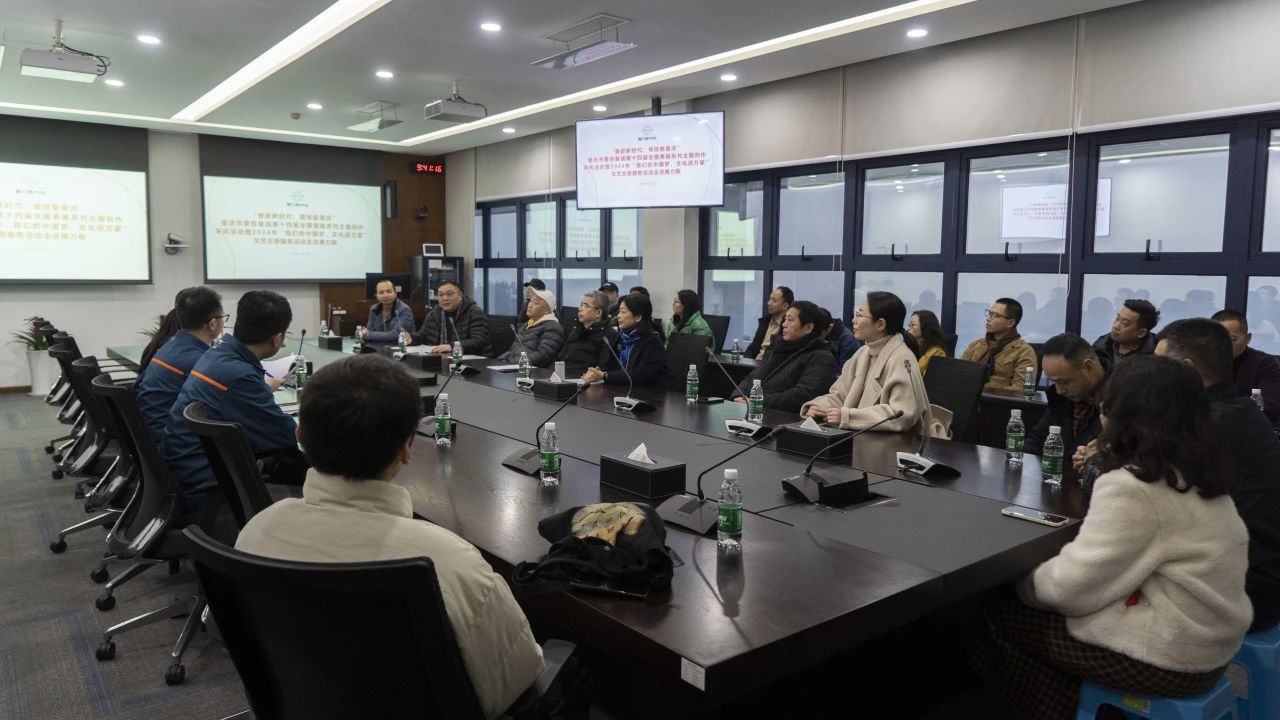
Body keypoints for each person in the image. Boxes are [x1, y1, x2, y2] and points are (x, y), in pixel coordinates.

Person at [234, 355, 546, 719]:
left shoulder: (255, 533)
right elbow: (517, 677)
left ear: (299, 436)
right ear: (405, 450)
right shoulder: (447, 561)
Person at [972, 356, 1252, 720]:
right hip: (1215, 644)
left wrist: (1019, 580)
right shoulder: (1200, 472)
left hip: (1171, 657)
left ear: (1120, 413)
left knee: (997, 610)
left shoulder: (1136, 486)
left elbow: (1070, 589)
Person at [1155, 318, 1280, 632]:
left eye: (1159, 365)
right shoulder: (1244, 411)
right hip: (1262, 577)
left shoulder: (1202, 428)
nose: (1151, 375)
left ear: (1187, 371)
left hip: (1235, 591)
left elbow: (1143, 496)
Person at [163, 290, 307, 514]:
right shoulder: (239, 377)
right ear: (277, 338)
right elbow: (287, 436)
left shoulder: (216, 355)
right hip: (206, 485)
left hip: (187, 470)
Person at [800, 291, 930, 433]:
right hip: (860, 436)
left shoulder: (902, 358)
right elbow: (840, 395)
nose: (853, 320)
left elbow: (901, 414)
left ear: (880, 324)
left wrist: (848, 417)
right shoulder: (863, 353)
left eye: (859, 315)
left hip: (892, 443)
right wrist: (820, 407)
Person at [135, 287, 226, 447]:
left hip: (151, 433)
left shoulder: (172, 345)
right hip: (170, 442)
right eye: (223, 318)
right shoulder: (198, 361)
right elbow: (229, 401)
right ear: (213, 324)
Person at [732, 301, 838, 413]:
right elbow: (752, 377)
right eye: (785, 319)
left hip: (782, 417)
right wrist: (739, 395)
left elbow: (802, 396)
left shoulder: (821, 357)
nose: (783, 324)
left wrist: (758, 401)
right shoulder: (778, 348)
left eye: (790, 320)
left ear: (808, 328)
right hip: (754, 409)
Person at [1025, 333, 1106, 456]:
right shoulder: (1060, 398)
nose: (1059, 391)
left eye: (1064, 382)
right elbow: (1038, 439)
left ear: (1089, 367)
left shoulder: (1120, 399)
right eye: (1054, 382)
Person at [582, 292, 667, 386]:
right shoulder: (622, 338)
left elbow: (641, 376)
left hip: (648, 392)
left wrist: (605, 375)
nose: (618, 315)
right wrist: (597, 373)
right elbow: (612, 366)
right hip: (622, 389)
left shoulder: (652, 342)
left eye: (623, 312)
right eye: (619, 312)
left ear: (638, 317)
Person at [1212, 309, 1280, 424]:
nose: (1222, 345)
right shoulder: (1201, 360)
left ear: (1247, 338)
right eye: (1216, 339)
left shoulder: (1265, 364)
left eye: (1231, 339)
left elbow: (1267, 409)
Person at [960, 298, 1038, 391]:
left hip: (997, 399)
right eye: (990, 313)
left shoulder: (1025, 352)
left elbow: (1026, 390)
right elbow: (958, 373)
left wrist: (986, 393)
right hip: (967, 396)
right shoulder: (976, 345)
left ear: (1010, 323)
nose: (988, 319)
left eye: (996, 316)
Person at [415, 280, 491, 356]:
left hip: (473, 358)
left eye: (449, 294)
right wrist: (412, 338)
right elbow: (423, 336)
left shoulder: (475, 312)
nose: (445, 298)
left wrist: (453, 346)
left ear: (460, 295)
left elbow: (479, 340)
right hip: (442, 357)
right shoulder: (435, 313)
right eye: (440, 295)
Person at [498, 286, 564, 367]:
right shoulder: (526, 325)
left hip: (532, 371)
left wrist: (514, 363)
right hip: (515, 366)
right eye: (530, 301)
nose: (530, 305)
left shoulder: (553, 328)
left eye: (536, 303)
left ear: (547, 310)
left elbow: (542, 356)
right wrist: (499, 361)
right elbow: (513, 350)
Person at [559, 291, 616, 377]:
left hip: (585, 380)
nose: (580, 309)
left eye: (586, 306)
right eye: (581, 305)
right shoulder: (576, 330)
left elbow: (602, 367)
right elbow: (561, 357)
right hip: (564, 376)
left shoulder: (608, 335)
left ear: (598, 313)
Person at [1092, 298, 1159, 365]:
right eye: (1117, 318)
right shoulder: (1101, 345)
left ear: (1141, 333)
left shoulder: (1158, 354)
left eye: (1124, 323)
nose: (1115, 326)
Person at [745, 286, 794, 360]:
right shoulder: (765, 321)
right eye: (769, 299)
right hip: (755, 363)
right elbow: (752, 348)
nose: (768, 303)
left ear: (785, 306)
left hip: (771, 364)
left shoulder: (788, 325)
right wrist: (746, 362)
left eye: (773, 300)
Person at [363, 278, 415, 343]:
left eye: (389, 291)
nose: (385, 295)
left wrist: (369, 335)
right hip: (380, 345)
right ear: (376, 296)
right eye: (381, 292)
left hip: (400, 346)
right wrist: (366, 333)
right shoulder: (374, 309)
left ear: (395, 293)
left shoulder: (404, 309)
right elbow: (369, 330)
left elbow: (396, 335)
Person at [908, 310, 947, 376]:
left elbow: (931, 378)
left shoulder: (937, 353)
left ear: (925, 327)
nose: (909, 328)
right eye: (909, 325)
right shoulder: (908, 347)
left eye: (913, 325)